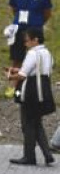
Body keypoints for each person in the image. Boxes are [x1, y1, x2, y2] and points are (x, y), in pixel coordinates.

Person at [6, 28, 55, 166]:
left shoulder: (32, 54)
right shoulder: (47, 53)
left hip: (30, 92)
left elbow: (23, 75)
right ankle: (47, 154)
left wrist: (10, 76)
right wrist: (20, 70)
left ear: (35, 40)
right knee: (37, 122)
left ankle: (29, 156)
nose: (25, 43)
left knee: (27, 124)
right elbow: (44, 69)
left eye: (27, 40)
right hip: (43, 90)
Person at [8, 0, 52, 67]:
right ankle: (16, 82)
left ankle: (34, 82)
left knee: (35, 58)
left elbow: (47, 13)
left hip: (35, 29)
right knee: (16, 58)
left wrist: (38, 22)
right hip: (19, 29)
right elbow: (14, 9)